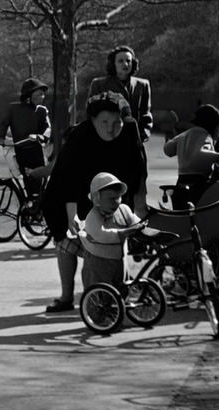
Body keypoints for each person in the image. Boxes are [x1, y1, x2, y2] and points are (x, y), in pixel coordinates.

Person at [41, 94, 148, 313]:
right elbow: (66, 179)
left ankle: (119, 294)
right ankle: (66, 297)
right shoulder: (80, 137)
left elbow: (138, 173)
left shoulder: (128, 134)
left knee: (116, 249)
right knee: (66, 245)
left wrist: (139, 207)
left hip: (115, 200)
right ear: (93, 121)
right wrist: (72, 217)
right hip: (79, 199)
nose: (110, 129)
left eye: (116, 122)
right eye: (104, 123)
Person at [79, 172, 145, 293]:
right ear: (97, 199)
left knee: (121, 290)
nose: (116, 202)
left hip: (119, 260)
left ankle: (119, 307)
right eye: (111, 199)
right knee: (97, 292)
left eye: (118, 197)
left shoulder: (123, 211)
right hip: (98, 261)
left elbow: (136, 223)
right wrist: (124, 232)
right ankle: (93, 310)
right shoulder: (93, 216)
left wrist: (146, 228)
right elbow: (101, 235)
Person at [163, 104, 219, 208]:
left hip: (181, 181)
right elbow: (200, 154)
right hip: (198, 184)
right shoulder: (205, 136)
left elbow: (168, 149)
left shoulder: (185, 134)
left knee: (180, 214)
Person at [0, 77, 51, 194]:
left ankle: (35, 204)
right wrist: (1, 138)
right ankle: (29, 203)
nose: (43, 97)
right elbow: (4, 123)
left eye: (43, 94)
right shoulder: (13, 109)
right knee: (26, 178)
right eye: (39, 94)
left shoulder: (41, 111)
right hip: (20, 150)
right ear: (29, 95)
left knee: (38, 181)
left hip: (36, 150)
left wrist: (40, 136)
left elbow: (47, 128)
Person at [88, 46, 153, 140]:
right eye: (120, 61)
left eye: (128, 61)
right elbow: (92, 113)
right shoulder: (99, 84)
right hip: (107, 138)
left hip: (133, 139)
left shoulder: (142, 85)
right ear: (113, 64)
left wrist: (143, 133)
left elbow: (146, 113)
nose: (125, 64)